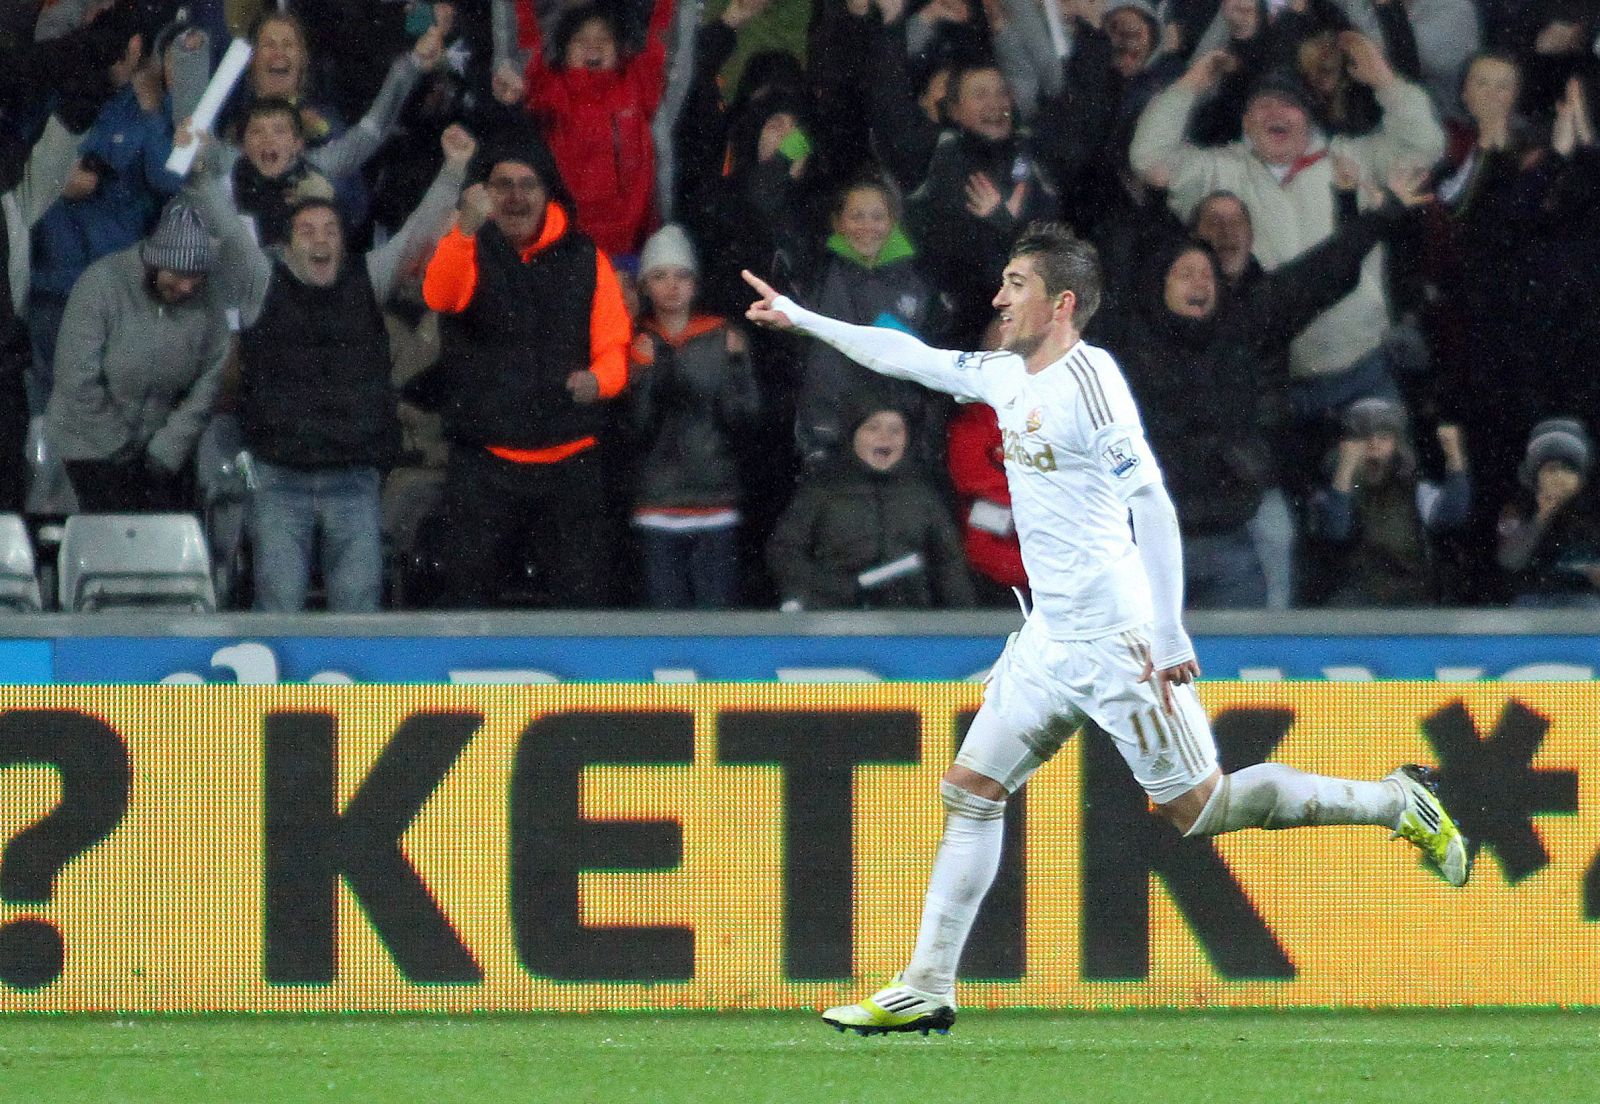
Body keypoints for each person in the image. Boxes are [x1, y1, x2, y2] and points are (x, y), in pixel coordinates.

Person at [740, 220, 1471, 1037]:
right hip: (1050, 637)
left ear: (1060, 304)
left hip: (1120, 639)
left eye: (1015, 284)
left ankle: (1395, 801)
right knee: (970, 790)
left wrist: (1167, 630)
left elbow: (1149, 502)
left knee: (1203, 809)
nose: (998, 298)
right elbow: (907, 356)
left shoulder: (1092, 385)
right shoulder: (1006, 376)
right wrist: (802, 318)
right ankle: (926, 984)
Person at [189, 124, 474, 611]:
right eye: (306, 232)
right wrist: (198, 174)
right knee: (279, 605)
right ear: (286, 245)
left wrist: (453, 171)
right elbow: (229, 231)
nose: (320, 240)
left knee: (359, 609)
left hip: (354, 477)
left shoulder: (369, 278)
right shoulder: (262, 281)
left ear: (343, 240)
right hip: (278, 476)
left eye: (330, 231)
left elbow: (417, 235)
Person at [419, 129, 631, 608]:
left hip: (570, 458)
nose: (515, 197)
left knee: (583, 601)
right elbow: (440, 295)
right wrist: (464, 230)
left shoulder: (587, 258)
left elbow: (614, 348)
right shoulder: (466, 244)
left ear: (547, 192)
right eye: (503, 185)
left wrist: (598, 381)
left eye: (527, 184)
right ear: (485, 192)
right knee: (466, 599)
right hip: (485, 458)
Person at [45, 198, 227, 511]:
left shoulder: (208, 302)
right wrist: (119, 445)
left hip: (160, 456)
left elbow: (209, 381)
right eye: (177, 274)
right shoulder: (102, 284)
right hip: (85, 447)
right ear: (152, 264)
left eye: (195, 277)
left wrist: (167, 449)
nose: (186, 287)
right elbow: (76, 378)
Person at [626, 223, 761, 610]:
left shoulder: (722, 336)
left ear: (696, 284)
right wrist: (644, 375)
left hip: (715, 500)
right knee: (664, 622)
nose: (672, 286)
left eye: (681, 276)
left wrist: (737, 366)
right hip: (655, 504)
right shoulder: (634, 338)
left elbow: (745, 418)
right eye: (660, 276)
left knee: (716, 621)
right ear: (644, 286)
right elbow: (634, 428)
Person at [767, 396, 974, 611]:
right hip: (836, 614)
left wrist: (963, 617)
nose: (885, 437)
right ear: (853, 434)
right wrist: (836, 587)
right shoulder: (822, 489)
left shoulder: (922, 494)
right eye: (873, 428)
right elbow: (785, 552)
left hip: (907, 615)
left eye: (895, 430)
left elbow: (949, 563)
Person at [1311, 397, 1472, 607]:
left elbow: (1450, 515)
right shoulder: (1334, 492)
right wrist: (1345, 470)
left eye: (1383, 437)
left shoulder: (1414, 491)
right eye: (1364, 438)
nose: (1374, 445)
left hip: (1412, 600)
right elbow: (1335, 531)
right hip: (1356, 601)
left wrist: (1453, 455)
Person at [1497, 418, 1600, 609]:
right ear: (1536, 475)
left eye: (1568, 470)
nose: (1559, 478)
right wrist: (1541, 518)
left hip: (1587, 602)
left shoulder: (1593, 509)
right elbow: (1509, 561)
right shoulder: (1518, 508)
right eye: (1551, 470)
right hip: (1531, 600)